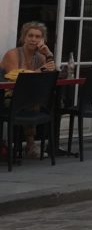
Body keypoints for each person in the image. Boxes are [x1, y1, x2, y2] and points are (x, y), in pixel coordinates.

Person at [1, 21, 58, 157]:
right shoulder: (13, 54)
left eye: (38, 37)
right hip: (8, 97)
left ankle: (52, 145)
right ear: (23, 37)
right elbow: (15, 77)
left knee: (55, 102)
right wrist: (40, 70)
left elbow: (52, 74)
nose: (33, 39)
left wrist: (49, 54)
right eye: (30, 35)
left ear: (42, 40)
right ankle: (31, 145)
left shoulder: (41, 57)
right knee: (33, 102)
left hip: (29, 96)